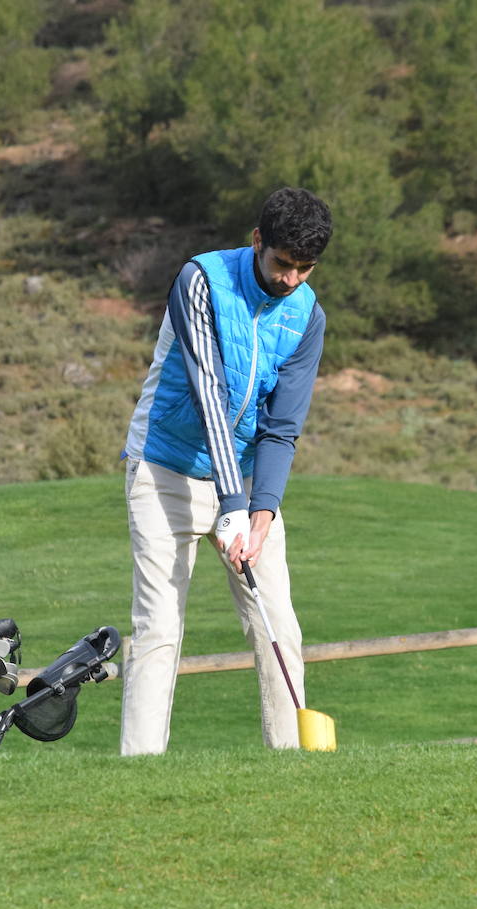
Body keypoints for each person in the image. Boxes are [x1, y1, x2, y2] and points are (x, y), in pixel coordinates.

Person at [119, 187, 332, 755]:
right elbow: (209, 393)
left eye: (304, 269)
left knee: (278, 627)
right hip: (164, 470)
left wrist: (259, 514)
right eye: (282, 263)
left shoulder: (308, 315)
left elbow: (282, 428)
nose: (291, 280)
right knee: (159, 630)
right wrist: (232, 503)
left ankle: (291, 763)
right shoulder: (200, 281)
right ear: (257, 240)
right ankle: (139, 772)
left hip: (242, 485)